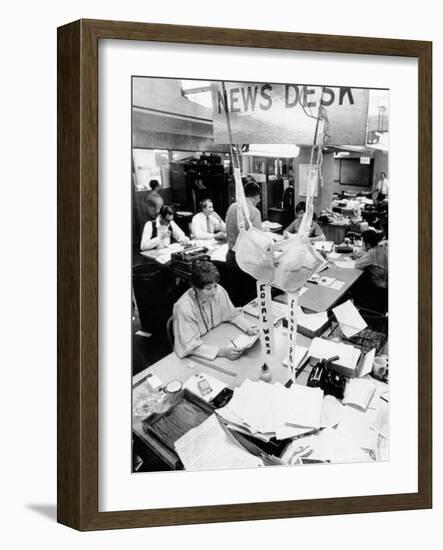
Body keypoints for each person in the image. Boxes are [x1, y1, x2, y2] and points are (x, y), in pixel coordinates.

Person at [173, 261, 258, 359]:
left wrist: (248, 327)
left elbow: (232, 314)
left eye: (215, 286)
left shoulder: (219, 291)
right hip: (196, 354)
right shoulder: (184, 307)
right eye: (208, 289)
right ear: (196, 288)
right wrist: (221, 352)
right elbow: (189, 345)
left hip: (215, 338)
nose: (214, 292)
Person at [225, 180, 262, 306]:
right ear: (256, 196)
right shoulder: (254, 212)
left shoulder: (232, 207)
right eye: (259, 198)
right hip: (246, 261)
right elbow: (257, 240)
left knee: (236, 295)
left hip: (230, 257)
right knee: (249, 299)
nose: (259, 201)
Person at [352, 229, 388, 312]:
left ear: (367, 243)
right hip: (385, 284)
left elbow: (357, 265)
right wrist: (365, 253)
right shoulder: (381, 248)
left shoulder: (372, 253)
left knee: (355, 284)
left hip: (378, 286)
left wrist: (362, 251)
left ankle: (358, 306)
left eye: (362, 242)